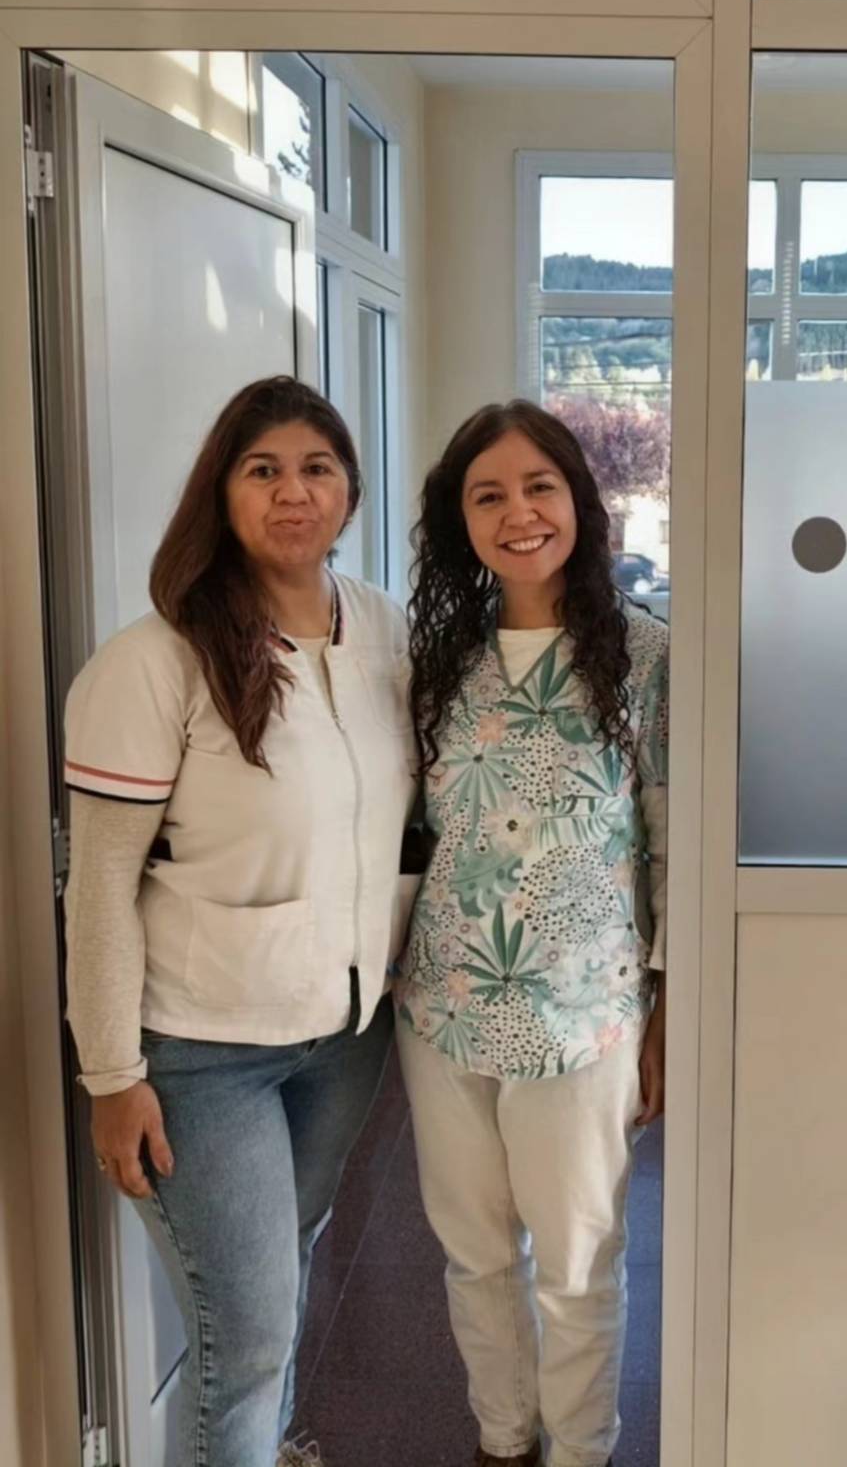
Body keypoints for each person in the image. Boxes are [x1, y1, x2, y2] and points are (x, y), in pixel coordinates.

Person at [63, 376, 418, 1467]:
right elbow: (100, 884)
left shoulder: (384, 630)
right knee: (247, 1335)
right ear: (221, 493)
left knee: (277, 1283)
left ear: (350, 491)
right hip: (200, 1053)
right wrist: (111, 1074)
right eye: (263, 470)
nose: (292, 492)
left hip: (342, 1038)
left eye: (316, 468)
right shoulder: (155, 659)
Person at [395, 400, 669, 1467]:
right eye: (489, 494)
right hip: (444, 1008)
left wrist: (668, 1012)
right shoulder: (436, 664)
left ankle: (581, 1451)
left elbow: (672, 847)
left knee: (577, 1268)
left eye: (539, 487)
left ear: (580, 502)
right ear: (458, 518)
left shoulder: (646, 659)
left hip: (583, 1014)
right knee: (474, 1258)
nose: (519, 514)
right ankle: (502, 1443)